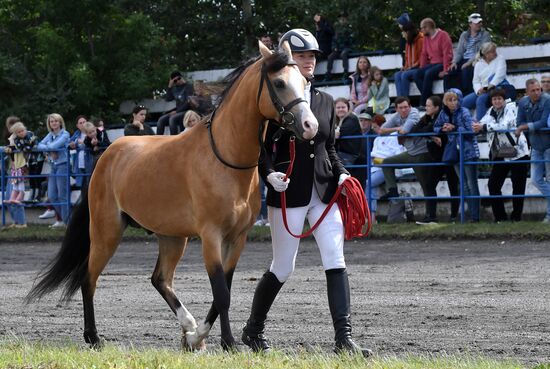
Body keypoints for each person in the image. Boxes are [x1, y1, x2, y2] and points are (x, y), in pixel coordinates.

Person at [241, 28, 372, 357]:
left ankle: (344, 339)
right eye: (301, 56)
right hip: (288, 192)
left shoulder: (326, 101)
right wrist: (268, 173)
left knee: (335, 260)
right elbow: (260, 147)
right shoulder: (275, 98)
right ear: (289, 61)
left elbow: (329, 148)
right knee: (283, 267)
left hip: (324, 193)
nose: (309, 61)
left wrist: (342, 175)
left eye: (312, 56)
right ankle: (253, 330)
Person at [473, 88, 530, 222]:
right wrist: (478, 125)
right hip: (501, 152)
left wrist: (485, 126)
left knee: (518, 187)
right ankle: (500, 218)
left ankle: (516, 218)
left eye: (499, 98)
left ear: (504, 100)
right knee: (493, 185)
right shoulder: (490, 111)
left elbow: (505, 125)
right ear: (491, 101)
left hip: (518, 153)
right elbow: (480, 123)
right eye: (494, 99)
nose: (497, 101)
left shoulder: (511, 107)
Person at [409, 96, 460, 224]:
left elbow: (432, 129)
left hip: (448, 157)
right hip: (436, 158)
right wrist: (432, 137)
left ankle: (454, 217)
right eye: (426, 105)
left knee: (453, 186)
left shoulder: (442, 117)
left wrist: (429, 132)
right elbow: (415, 130)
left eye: (429, 106)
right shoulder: (426, 118)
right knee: (429, 185)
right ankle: (431, 216)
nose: (426, 108)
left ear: (437, 108)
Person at [434, 89, 480, 222]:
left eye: (455, 99)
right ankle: (469, 215)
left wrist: (454, 128)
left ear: (459, 100)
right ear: (445, 102)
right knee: (464, 185)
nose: (453, 103)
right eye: (449, 100)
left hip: (468, 151)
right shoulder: (443, 113)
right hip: (454, 152)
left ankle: (475, 216)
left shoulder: (464, 111)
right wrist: (443, 128)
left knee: (472, 184)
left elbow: (471, 130)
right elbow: (436, 127)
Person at [378, 97, 432, 203]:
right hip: (411, 153)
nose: (404, 110)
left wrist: (399, 129)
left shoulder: (414, 113)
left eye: (406, 107)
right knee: (386, 163)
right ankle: (393, 191)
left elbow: (404, 130)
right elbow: (381, 131)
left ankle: (430, 214)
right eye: (401, 108)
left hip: (422, 153)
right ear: (397, 109)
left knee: (425, 184)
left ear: (410, 106)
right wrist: (396, 128)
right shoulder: (397, 116)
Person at [515, 79, 550, 223]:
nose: (537, 92)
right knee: (536, 180)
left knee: (549, 180)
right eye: (533, 90)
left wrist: (525, 127)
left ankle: (549, 216)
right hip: (535, 145)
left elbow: (543, 122)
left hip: (549, 145)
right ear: (527, 92)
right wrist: (524, 126)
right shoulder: (523, 102)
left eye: (538, 89)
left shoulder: (547, 100)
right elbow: (519, 121)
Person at [363, 114, 406, 223]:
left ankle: (370, 216)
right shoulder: (377, 138)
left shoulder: (393, 136)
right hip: (374, 167)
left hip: (386, 168)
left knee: (368, 184)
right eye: (374, 128)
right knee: (370, 186)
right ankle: (371, 217)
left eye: (377, 128)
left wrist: (380, 160)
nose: (376, 130)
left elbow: (397, 154)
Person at [462, 42, 516, 121]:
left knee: (480, 100)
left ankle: (481, 127)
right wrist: (478, 91)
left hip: (496, 88)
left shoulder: (500, 58)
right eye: (493, 51)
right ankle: (469, 124)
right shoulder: (478, 64)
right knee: (464, 102)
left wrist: (487, 88)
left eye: (495, 50)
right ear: (486, 54)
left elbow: (499, 76)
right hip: (482, 90)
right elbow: (476, 81)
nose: (495, 53)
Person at [37, 113, 71, 227]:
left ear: (60, 122)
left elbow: (54, 146)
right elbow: (39, 145)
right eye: (52, 121)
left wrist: (49, 149)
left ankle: (68, 223)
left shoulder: (65, 134)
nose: (54, 123)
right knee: (52, 195)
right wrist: (49, 151)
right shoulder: (50, 134)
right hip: (53, 166)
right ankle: (66, 220)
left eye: (56, 121)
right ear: (49, 124)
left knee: (63, 196)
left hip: (63, 165)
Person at [444, 13, 491, 95]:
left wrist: (468, 63)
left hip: (477, 60)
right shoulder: (464, 35)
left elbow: (481, 51)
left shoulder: (485, 34)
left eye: (480, 22)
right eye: (476, 23)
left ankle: (466, 95)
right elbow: (459, 51)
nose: (479, 24)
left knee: (466, 71)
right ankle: (449, 95)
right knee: (449, 72)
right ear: (470, 24)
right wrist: (454, 62)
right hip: (463, 59)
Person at [413, 18, 453, 108]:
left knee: (428, 73)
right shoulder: (426, 38)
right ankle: (431, 99)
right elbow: (424, 54)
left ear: (428, 27)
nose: (421, 30)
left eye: (422, 28)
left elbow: (447, 53)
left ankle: (424, 103)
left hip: (442, 63)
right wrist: (422, 68)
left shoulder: (443, 35)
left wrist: (445, 69)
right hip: (432, 64)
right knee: (417, 74)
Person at [4, 122, 36, 205]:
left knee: (21, 181)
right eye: (19, 132)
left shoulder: (30, 137)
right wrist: (10, 147)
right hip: (17, 163)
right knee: (15, 181)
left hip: (24, 163)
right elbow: (12, 148)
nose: (22, 132)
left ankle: (19, 198)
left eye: (23, 130)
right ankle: (12, 199)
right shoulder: (15, 140)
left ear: (25, 129)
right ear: (16, 134)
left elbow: (30, 146)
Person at [156, 71, 194, 135]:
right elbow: (168, 99)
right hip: (178, 111)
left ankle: (174, 139)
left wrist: (176, 112)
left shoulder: (189, 86)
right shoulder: (174, 89)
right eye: (175, 81)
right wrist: (169, 86)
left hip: (188, 110)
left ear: (182, 77)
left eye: (179, 78)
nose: (178, 81)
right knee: (161, 120)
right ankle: (157, 139)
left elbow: (188, 102)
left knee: (172, 118)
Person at [394, 22, 424, 98]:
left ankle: (405, 100)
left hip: (419, 68)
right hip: (410, 68)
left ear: (408, 32)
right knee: (397, 74)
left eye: (403, 32)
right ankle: (400, 99)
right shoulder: (408, 43)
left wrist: (411, 67)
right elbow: (407, 58)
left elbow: (422, 58)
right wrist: (405, 67)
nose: (402, 34)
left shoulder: (421, 40)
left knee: (405, 74)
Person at [325, 13, 354, 80]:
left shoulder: (349, 29)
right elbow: (334, 41)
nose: (342, 20)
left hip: (347, 48)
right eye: (341, 19)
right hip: (338, 49)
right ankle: (328, 73)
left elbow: (352, 41)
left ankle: (345, 72)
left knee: (344, 54)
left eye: (344, 18)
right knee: (330, 56)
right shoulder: (337, 30)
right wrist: (334, 48)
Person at [69, 115, 93, 189]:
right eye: (80, 123)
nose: (83, 124)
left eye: (84, 122)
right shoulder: (76, 134)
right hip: (79, 163)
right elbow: (69, 143)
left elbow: (89, 144)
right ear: (77, 125)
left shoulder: (91, 132)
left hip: (90, 161)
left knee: (90, 184)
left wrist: (79, 144)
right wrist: (72, 144)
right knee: (81, 186)